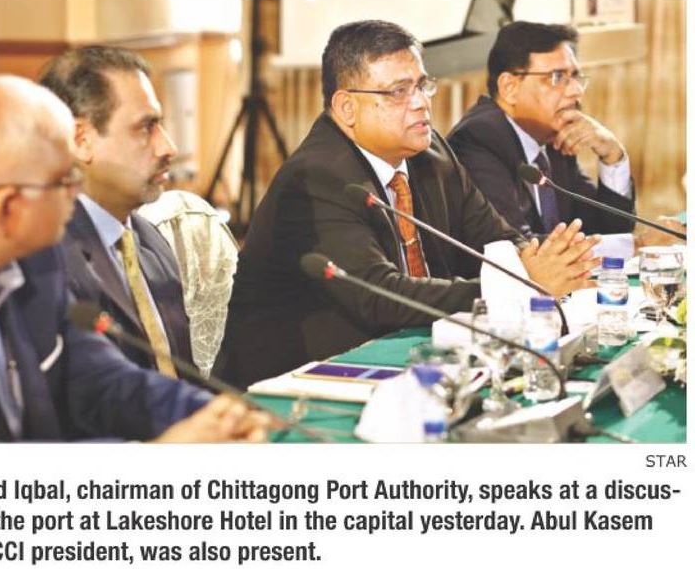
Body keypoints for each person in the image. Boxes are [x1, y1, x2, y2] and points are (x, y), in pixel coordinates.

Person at [217, 20, 601, 388]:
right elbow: (379, 295)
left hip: (408, 359)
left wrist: (549, 259)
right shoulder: (317, 177)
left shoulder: (432, 154)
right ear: (347, 107)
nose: (420, 103)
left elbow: (494, 237)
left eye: (421, 85)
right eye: (398, 92)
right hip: (295, 383)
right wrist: (520, 285)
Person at [0, 74, 269, 442]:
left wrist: (212, 416)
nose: (78, 192)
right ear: (7, 207)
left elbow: (100, 378)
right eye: (65, 181)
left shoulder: (37, 255)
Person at [39, 47, 193, 379]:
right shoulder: (50, 257)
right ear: (81, 140)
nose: (168, 147)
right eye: (146, 127)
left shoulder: (150, 241)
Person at [447, 21, 635, 241]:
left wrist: (612, 153)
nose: (576, 91)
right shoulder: (478, 140)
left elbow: (604, 228)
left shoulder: (552, 137)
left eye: (575, 77)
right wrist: (635, 244)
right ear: (509, 87)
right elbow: (517, 246)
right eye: (558, 77)